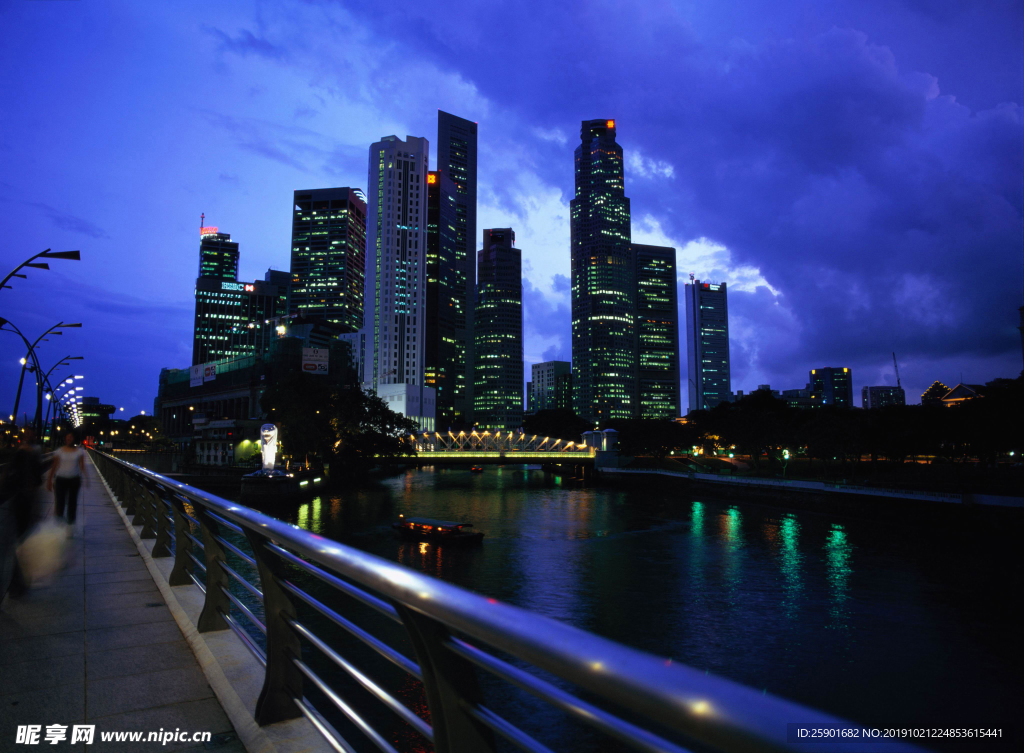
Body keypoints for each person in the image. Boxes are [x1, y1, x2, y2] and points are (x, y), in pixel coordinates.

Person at [47, 432, 88, 530]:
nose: (69, 439)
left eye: (71, 437)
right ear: (65, 439)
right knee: (60, 502)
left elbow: (82, 466)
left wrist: (87, 478)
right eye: (67, 437)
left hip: (74, 480)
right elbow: (54, 466)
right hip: (61, 480)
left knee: (72, 503)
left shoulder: (79, 452)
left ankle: (70, 525)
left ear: (74, 439)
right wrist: (49, 480)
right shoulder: (59, 451)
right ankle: (59, 524)